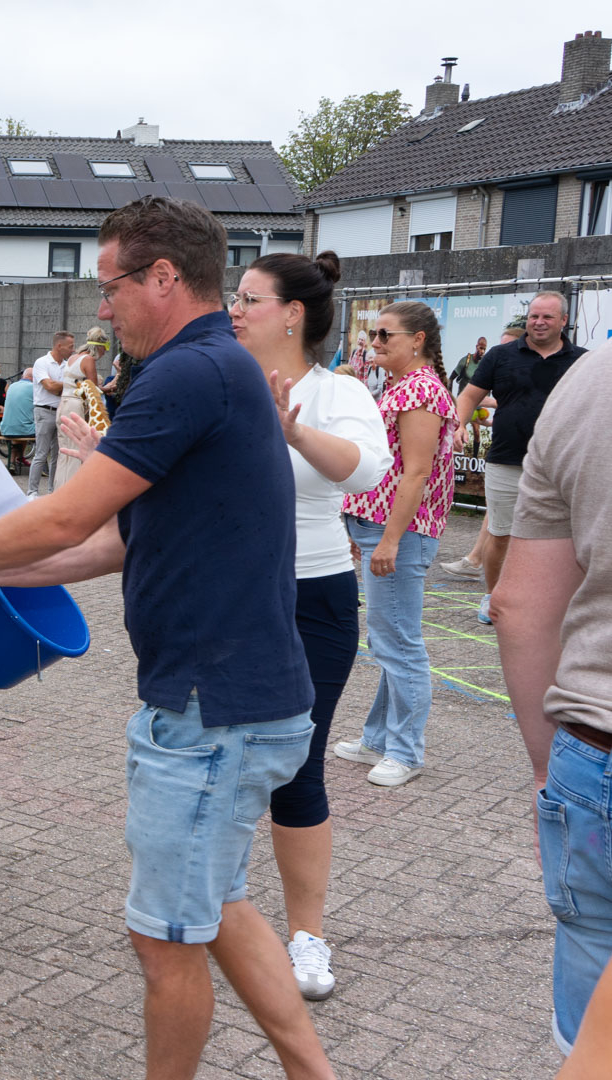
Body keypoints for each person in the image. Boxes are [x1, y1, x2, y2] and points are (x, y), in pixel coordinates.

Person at [0, 196, 334, 1079]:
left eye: (110, 286)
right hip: (237, 701)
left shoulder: (186, 374)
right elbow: (112, 543)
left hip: (210, 711)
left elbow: (67, 516)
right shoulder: (216, 367)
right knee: (217, 906)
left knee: (164, 942)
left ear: (162, 277)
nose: (101, 308)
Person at [229, 252, 390, 1001]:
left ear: (292, 313)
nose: (234, 309)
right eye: (233, 297)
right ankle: (214, 913)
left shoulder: (336, 391)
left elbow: (364, 470)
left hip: (312, 596)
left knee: (298, 766)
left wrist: (294, 434)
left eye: (249, 298)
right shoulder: (220, 382)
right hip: (230, 595)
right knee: (220, 758)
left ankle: (306, 937)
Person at [494, 339, 612, 1062]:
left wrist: (547, 770)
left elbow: (519, 606)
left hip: (592, 752)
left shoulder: (587, 383)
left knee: (588, 1041)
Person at [335, 302, 458, 787]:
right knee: (389, 641)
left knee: (399, 644)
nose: (376, 342)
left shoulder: (420, 390)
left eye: (387, 334)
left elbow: (417, 473)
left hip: (401, 532)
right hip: (382, 528)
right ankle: (379, 739)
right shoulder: (403, 386)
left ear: (418, 339)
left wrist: (389, 539)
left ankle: (405, 751)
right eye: (375, 334)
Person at [453, 293, 587, 625]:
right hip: (507, 459)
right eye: (533, 316)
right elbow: (469, 395)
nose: (538, 322)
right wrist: (458, 425)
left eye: (547, 317)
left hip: (563, 465)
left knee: (565, 538)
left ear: (563, 321)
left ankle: (557, 601)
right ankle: (493, 597)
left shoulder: (582, 360)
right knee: (500, 534)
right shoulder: (501, 355)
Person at [51, 330, 104, 491]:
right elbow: (93, 389)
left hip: (63, 403)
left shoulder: (73, 358)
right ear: (100, 347)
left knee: (64, 451)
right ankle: (72, 490)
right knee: (76, 449)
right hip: (75, 405)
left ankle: (59, 488)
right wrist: (108, 388)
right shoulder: (88, 359)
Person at [25, 331, 74, 496]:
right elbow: (50, 387)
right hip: (44, 411)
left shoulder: (67, 365)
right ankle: (32, 491)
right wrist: (67, 384)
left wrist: (59, 386)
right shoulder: (42, 362)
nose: (72, 350)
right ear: (59, 346)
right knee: (41, 453)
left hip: (61, 411)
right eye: (70, 346)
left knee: (58, 455)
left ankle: (53, 491)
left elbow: (58, 387)